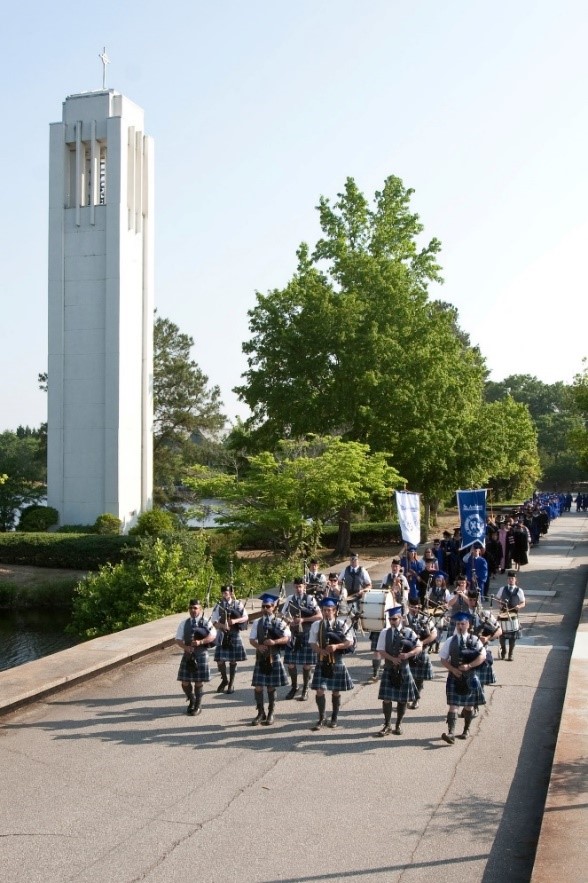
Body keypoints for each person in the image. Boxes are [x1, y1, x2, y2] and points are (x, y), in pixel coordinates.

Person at [373, 606, 422, 737]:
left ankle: (398, 724)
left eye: (394, 619)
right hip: (389, 667)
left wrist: (408, 655)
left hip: (404, 668)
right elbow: (380, 650)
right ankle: (387, 724)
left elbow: (419, 647)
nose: (391, 621)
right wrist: (392, 659)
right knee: (387, 699)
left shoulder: (409, 632)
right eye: (390, 619)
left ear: (400, 618)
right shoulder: (384, 632)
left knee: (402, 700)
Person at [439, 611, 486, 743]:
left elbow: (482, 657)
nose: (460, 626)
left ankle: (466, 730)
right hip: (454, 677)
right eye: (458, 624)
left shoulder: (475, 640)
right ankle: (451, 733)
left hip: (470, 677)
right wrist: (453, 669)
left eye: (463, 623)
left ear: (468, 625)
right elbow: (443, 659)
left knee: (468, 706)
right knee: (453, 706)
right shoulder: (450, 640)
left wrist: (469, 666)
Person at [309, 597, 355, 730]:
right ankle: (321, 717)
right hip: (322, 661)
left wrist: (337, 646)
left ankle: (334, 717)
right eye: (324, 610)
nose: (327, 613)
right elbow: (312, 642)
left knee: (335, 691)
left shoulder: (342, 624)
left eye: (329, 610)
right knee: (319, 690)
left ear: (334, 611)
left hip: (337, 661)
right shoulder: (316, 625)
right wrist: (319, 650)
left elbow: (349, 642)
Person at [249, 593, 291, 725]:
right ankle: (260, 713)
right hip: (261, 657)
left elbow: (287, 638)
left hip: (274, 656)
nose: (265, 609)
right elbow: (252, 639)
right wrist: (258, 646)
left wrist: (275, 642)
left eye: (268, 606)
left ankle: (271, 713)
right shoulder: (257, 622)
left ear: (273, 607)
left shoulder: (280, 621)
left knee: (271, 687)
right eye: (263, 606)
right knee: (258, 687)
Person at [175, 599, 217, 716]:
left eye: (195, 608)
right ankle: (191, 699)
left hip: (201, 654)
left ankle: (198, 705)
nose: (193, 610)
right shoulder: (184, 623)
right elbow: (178, 639)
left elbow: (213, 636)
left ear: (200, 609)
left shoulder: (206, 622)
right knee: (184, 682)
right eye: (191, 608)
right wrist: (185, 647)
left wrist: (201, 642)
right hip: (188, 654)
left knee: (198, 682)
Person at [282, 577, 322, 700]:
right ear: (294, 587)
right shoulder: (289, 599)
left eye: (301, 586)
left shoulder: (310, 599)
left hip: (306, 634)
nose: (298, 589)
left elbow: (320, 616)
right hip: (294, 635)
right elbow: (282, 614)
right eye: (296, 586)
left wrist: (304, 619)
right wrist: (289, 621)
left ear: (304, 587)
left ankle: (305, 688)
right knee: (291, 664)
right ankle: (294, 687)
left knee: (307, 665)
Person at [211, 585, 249, 694]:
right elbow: (213, 621)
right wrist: (222, 626)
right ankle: (224, 680)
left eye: (226, 592)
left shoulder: (238, 604)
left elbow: (246, 617)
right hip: (222, 634)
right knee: (220, 660)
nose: (224, 594)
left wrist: (235, 621)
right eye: (223, 593)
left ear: (231, 593)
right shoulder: (218, 605)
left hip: (234, 633)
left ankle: (231, 684)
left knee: (233, 660)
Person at [405, 599, 437, 709]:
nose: (416, 609)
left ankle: (415, 699)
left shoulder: (426, 619)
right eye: (413, 607)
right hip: (406, 651)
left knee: (418, 678)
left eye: (418, 607)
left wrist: (421, 643)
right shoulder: (403, 618)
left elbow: (434, 634)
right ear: (409, 606)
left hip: (422, 651)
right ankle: (406, 699)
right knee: (406, 677)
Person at [495, 571, 526, 660]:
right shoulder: (502, 589)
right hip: (503, 614)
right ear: (507, 580)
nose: (510, 580)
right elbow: (497, 598)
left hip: (513, 615)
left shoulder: (519, 590)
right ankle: (503, 650)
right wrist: (499, 604)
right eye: (509, 578)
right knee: (502, 634)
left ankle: (511, 654)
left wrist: (519, 606)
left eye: (512, 579)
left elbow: (523, 602)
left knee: (513, 636)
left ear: (515, 580)